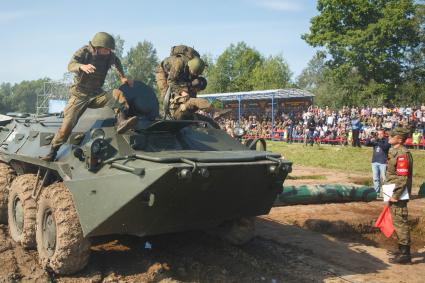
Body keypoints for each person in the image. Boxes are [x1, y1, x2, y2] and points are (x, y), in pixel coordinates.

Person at [42, 32, 137, 161]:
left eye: (109, 50)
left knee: (117, 93)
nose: (107, 52)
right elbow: (70, 65)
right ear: (96, 47)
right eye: (105, 49)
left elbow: (117, 61)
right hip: (79, 95)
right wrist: (82, 66)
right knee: (66, 126)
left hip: (97, 94)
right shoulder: (85, 52)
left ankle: (121, 122)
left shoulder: (110, 55)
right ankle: (52, 151)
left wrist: (123, 77)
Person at [156, 49, 227, 120]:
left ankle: (183, 110)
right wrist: (181, 92)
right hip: (163, 71)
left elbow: (192, 83)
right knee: (165, 94)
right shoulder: (179, 63)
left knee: (189, 93)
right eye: (194, 73)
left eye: (196, 74)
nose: (195, 75)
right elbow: (171, 81)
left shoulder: (194, 69)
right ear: (190, 67)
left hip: (179, 75)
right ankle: (167, 115)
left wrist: (190, 88)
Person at [386, 127, 413, 264]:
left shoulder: (402, 153)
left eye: (392, 135)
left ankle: (405, 254)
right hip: (392, 189)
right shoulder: (393, 150)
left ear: (400, 139)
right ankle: (401, 249)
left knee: (400, 222)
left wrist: (395, 195)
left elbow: (402, 178)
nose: (389, 136)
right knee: (396, 220)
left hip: (399, 192)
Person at [366, 129, 391, 197]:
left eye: (381, 134)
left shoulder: (387, 140)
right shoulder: (376, 140)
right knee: (375, 179)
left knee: (385, 178)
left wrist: (378, 140)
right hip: (374, 162)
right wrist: (370, 137)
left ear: (384, 134)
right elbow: (367, 144)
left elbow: (385, 147)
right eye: (378, 134)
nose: (379, 135)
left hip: (383, 162)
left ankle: (387, 194)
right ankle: (376, 193)